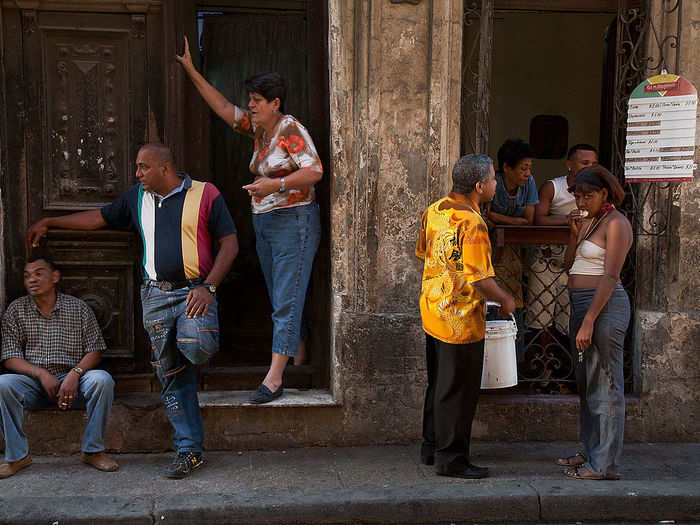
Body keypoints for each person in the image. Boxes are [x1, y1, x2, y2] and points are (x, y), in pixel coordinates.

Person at [26, 143, 238, 479]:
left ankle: (185, 354)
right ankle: (189, 450)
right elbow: (99, 218)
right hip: (154, 297)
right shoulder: (137, 197)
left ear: (164, 168)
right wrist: (51, 221)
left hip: (194, 291)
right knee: (169, 375)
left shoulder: (205, 193)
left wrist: (208, 287)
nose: (137, 174)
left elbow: (230, 243)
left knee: (195, 346)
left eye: (143, 167)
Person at [176, 36, 322, 404]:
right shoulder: (260, 129)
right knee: (281, 293)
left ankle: (274, 378)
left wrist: (275, 183)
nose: (251, 106)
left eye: (257, 101)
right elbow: (224, 107)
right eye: (251, 101)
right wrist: (191, 71)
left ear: (275, 103)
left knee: (285, 299)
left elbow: (315, 171)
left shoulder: (290, 130)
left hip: (294, 221)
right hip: (267, 223)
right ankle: (299, 358)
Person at [416, 154, 515, 479]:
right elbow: (479, 279)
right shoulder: (473, 223)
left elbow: (425, 253)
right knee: (458, 390)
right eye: (492, 179)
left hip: (433, 309)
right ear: (479, 186)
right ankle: (452, 459)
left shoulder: (435, 210)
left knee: (439, 385)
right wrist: (505, 299)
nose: (495, 184)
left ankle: (431, 447)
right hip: (460, 318)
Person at [0, 256, 118, 478]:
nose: (31, 280)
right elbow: (9, 357)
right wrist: (41, 373)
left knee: (102, 380)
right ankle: (17, 457)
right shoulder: (16, 310)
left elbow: (95, 350)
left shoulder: (78, 308)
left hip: (73, 382)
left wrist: (75, 374)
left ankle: (93, 451)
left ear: (55, 277)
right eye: (27, 276)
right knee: (2, 384)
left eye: (38, 273)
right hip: (34, 384)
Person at [558, 165, 632, 480]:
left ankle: (605, 465)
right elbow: (568, 263)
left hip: (604, 306)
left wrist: (589, 320)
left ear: (604, 193)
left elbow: (611, 275)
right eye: (577, 196)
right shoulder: (589, 221)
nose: (581, 201)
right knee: (588, 384)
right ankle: (590, 452)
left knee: (606, 384)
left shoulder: (616, 223)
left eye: (588, 196)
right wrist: (575, 235)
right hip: (580, 303)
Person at [527, 145, 598, 342]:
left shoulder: (598, 192)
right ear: (569, 165)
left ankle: (567, 363)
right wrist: (569, 220)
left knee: (570, 318)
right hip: (547, 260)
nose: (589, 167)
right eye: (584, 163)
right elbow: (539, 219)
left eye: (593, 164)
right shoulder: (553, 187)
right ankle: (544, 364)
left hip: (577, 261)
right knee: (541, 316)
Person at [487, 139, 538, 359]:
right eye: (522, 168)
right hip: (490, 251)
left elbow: (529, 220)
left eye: (529, 168)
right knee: (491, 301)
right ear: (507, 168)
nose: (527, 173)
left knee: (514, 302)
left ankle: (514, 360)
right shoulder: (493, 183)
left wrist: (498, 218)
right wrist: (502, 221)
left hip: (516, 254)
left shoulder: (529, 184)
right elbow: (484, 217)